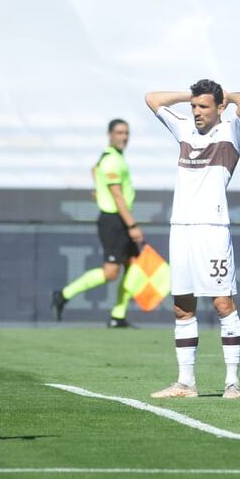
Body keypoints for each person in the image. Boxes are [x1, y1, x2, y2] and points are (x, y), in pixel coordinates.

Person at [144, 80, 240, 400]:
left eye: (203, 106)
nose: (196, 112)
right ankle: (185, 383)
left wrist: (223, 96)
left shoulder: (231, 131)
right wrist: (189, 96)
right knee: (182, 307)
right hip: (180, 227)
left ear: (220, 108)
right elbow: (151, 98)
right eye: (193, 106)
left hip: (212, 228)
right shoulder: (184, 128)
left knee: (222, 303)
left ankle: (232, 382)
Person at [52, 119, 143, 327]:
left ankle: (118, 316)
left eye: (126, 133)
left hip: (118, 219)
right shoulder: (112, 160)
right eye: (119, 133)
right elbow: (118, 196)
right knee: (111, 272)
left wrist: (100, 190)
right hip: (114, 221)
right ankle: (63, 294)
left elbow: (94, 170)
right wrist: (132, 225)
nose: (124, 137)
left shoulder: (111, 156)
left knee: (133, 264)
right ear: (110, 134)